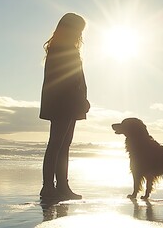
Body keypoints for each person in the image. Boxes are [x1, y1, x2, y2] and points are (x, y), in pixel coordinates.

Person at [39, 13, 90, 200]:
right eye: (79, 30)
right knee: (56, 144)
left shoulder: (63, 47)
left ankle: (61, 186)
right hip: (64, 102)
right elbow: (68, 79)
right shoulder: (62, 48)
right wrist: (80, 99)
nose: (80, 34)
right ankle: (48, 187)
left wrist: (82, 99)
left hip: (69, 102)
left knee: (63, 144)